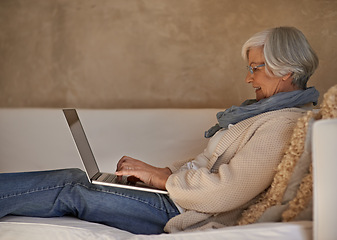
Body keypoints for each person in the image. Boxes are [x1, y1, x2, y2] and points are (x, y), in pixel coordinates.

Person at [0, 26, 319, 234]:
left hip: (185, 211)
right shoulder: (263, 114)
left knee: (72, 186)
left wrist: (165, 180)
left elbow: (227, 191)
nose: (249, 78)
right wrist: (159, 172)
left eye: (255, 68)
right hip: (177, 198)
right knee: (76, 180)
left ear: (286, 70)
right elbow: (208, 166)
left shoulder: (283, 124)